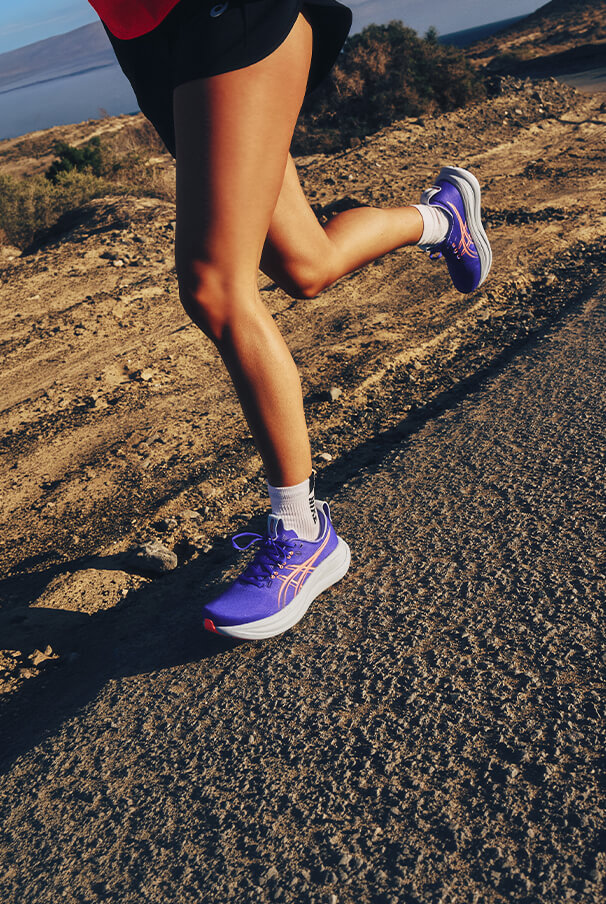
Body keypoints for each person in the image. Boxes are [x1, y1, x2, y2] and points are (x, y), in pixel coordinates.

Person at [87, 0, 492, 640]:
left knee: (215, 286)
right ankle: (443, 220)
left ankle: (303, 531)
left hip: (224, 16)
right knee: (305, 264)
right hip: (146, 40)